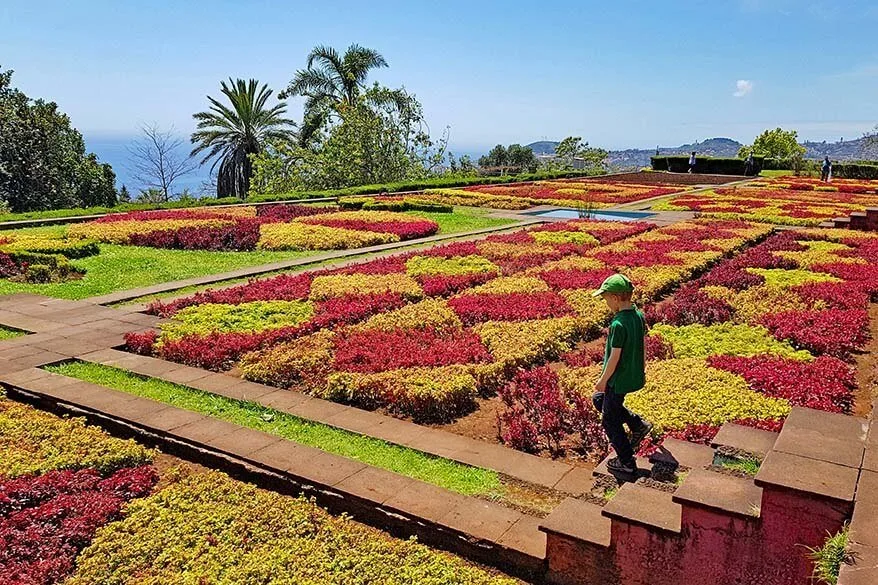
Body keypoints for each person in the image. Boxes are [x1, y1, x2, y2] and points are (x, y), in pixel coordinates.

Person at [591, 274, 654, 475]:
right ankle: (638, 424)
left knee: (609, 420)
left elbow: (614, 358)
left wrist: (603, 380)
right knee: (599, 400)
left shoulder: (618, 324)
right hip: (632, 375)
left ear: (616, 298)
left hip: (617, 380)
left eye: (606, 298)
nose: (605, 302)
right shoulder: (637, 316)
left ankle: (626, 462)